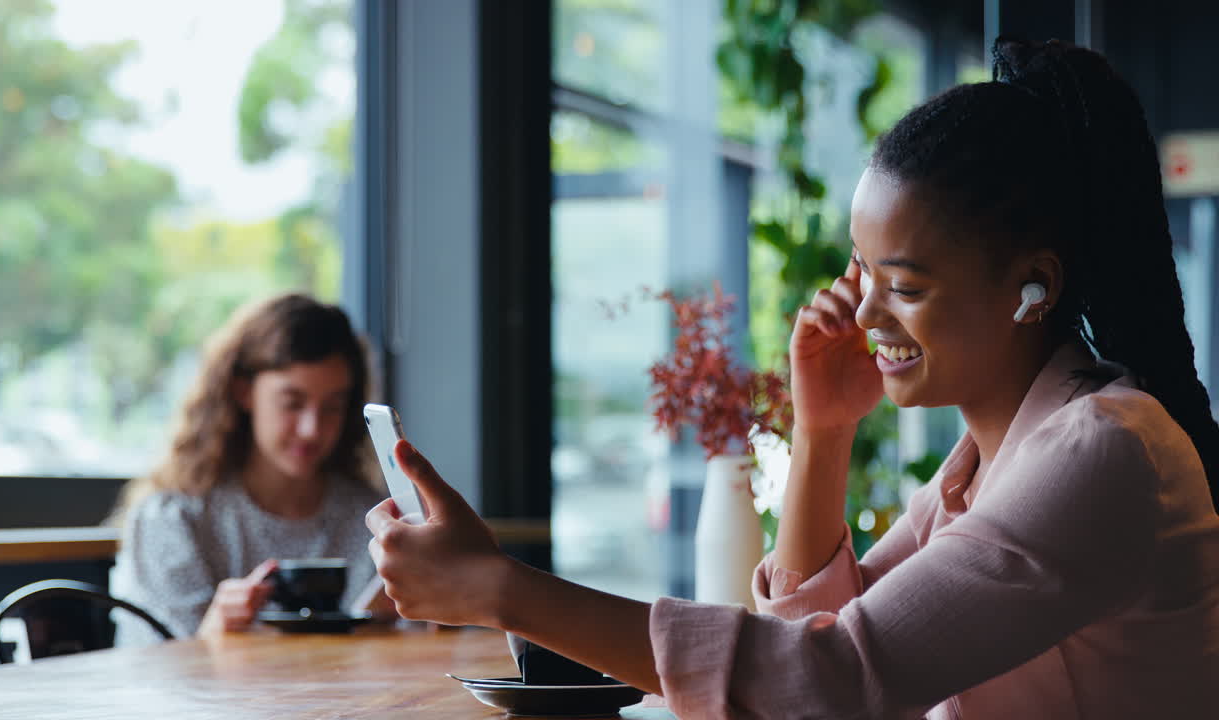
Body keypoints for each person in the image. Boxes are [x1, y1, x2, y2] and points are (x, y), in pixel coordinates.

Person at [362, 38, 1219, 718]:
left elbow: (829, 684)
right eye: (864, 275)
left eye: (908, 287)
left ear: (1033, 288)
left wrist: (502, 590)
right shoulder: (984, 469)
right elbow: (816, 642)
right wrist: (825, 430)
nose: (867, 315)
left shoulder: (1102, 452)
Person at [109, 293, 390, 645]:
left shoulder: (372, 517)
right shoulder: (174, 518)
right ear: (243, 393)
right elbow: (154, 673)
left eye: (332, 406)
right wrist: (211, 635)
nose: (312, 429)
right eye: (292, 402)